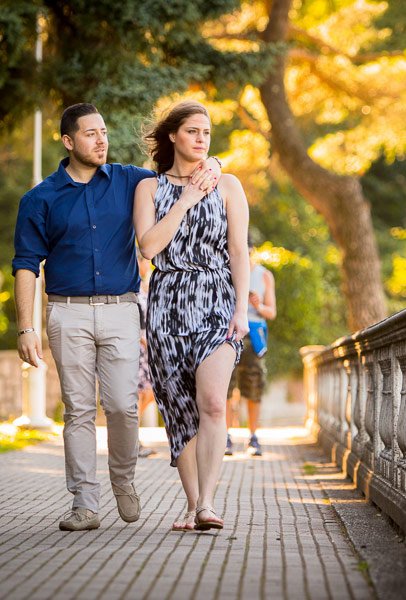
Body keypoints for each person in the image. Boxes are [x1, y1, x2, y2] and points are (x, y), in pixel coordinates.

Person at [13, 103, 222, 532]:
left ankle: (123, 479)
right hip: (66, 315)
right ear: (68, 141)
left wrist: (213, 161)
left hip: (123, 310)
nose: (101, 140)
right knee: (78, 410)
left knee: (125, 407)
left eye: (104, 132)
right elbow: (25, 265)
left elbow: (183, 169)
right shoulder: (39, 199)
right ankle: (85, 503)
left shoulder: (131, 180)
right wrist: (26, 327)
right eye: (90, 134)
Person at [133, 100, 249, 532]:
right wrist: (184, 200)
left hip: (217, 299)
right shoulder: (149, 189)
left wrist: (241, 309)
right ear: (172, 136)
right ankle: (192, 503)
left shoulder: (229, 185)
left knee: (213, 402)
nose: (202, 140)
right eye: (193, 132)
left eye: (207, 133)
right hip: (167, 305)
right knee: (179, 410)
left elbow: (239, 252)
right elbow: (148, 248)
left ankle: (207, 503)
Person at [225, 236, 276, 456]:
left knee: (254, 385)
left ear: (251, 250)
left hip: (254, 334)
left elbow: (271, 312)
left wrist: (258, 305)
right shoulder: (224, 270)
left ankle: (253, 437)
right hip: (228, 332)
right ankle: (224, 437)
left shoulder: (264, 275)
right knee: (225, 386)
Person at [136, 251, 157, 458]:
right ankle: (133, 440)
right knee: (138, 393)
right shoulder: (131, 288)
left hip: (148, 345)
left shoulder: (145, 286)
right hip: (138, 346)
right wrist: (144, 341)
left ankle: (129, 433)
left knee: (150, 392)